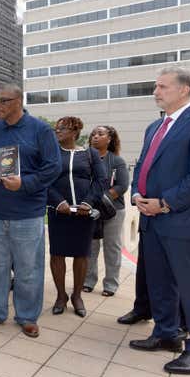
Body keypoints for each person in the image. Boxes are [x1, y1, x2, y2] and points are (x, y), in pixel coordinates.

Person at [128, 66, 190, 375]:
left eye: (162, 87)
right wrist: (135, 194)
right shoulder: (154, 128)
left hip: (182, 223)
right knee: (159, 283)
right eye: (156, 86)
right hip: (151, 221)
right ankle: (167, 333)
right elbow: (141, 165)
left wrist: (165, 203)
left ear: (184, 90)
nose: (155, 92)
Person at [0, 84, 61, 338]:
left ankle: (27, 316)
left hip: (28, 213)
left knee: (28, 269)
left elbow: (53, 167)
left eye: (3, 101)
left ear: (18, 101)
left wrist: (25, 183)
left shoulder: (40, 130)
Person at [46, 117, 106, 318]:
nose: (57, 132)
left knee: (81, 255)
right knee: (57, 254)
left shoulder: (91, 154)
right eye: (56, 129)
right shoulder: (51, 154)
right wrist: (58, 202)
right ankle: (61, 296)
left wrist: (88, 203)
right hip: (58, 211)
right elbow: (45, 180)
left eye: (61, 129)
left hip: (83, 212)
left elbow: (100, 180)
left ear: (74, 132)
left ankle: (77, 296)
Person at [83, 125, 129, 297]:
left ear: (109, 139)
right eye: (93, 134)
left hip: (113, 210)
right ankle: (88, 281)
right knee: (91, 246)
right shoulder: (84, 158)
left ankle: (110, 284)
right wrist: (91, 200)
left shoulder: (117, 161)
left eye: (100, 134)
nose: (95, 136)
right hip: (89, 209)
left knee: (112, 247)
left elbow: (122, 185)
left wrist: (101, 198)